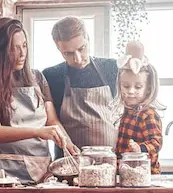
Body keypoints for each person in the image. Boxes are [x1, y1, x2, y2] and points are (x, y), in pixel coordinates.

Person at [0, 18, 76, 184]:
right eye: (14, 48)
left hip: (39, 173)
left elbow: (52, 121)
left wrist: (69, 145)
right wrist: (37, 131)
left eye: (24, 45)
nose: (22, 53)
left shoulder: (37, 78)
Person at [42, 16, 119, 153]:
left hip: (110, 159)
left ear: (88, 38)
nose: (77, 59)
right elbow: (51, 120)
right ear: (58, 47)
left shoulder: (112, 68)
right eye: (68, 53)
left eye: (81, 48)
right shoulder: (51, 76)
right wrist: (67, 145)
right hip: (69, 161)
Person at [113, 41, 165, 174]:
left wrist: (140, 148)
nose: (131, 91)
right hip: (129, 173)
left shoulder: (148, 114)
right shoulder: (127, 112)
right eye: (126, 86)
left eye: (138, 87)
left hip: (145, 174)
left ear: (147, 90)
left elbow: (156, 142)